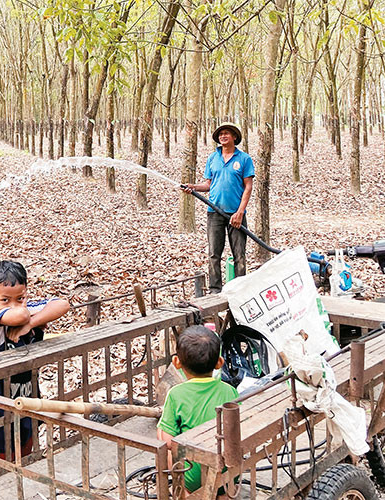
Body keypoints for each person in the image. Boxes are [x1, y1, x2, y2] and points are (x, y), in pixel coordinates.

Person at [0, 260, 70, 472]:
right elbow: (18, 314)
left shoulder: (26, 312)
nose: (14, 304)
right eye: (4, 300)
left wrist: (30, 324)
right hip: (0, 408)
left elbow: (63, 304)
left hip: (28, 400)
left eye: (20, 297)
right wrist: (26, 314)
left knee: (24, 458)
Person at [157, 326, 239, 494]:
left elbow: (168, 442)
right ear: (219, 363)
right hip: (229, 470)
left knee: (162, 433)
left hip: (194, 477)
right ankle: (224, 494)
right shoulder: (229, 390)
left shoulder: (176, 394)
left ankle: (185, 493)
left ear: (176, 363)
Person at [183, 122, 254, 293]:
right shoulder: (212, 158)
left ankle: (240, 290)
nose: (223, 136)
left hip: (236, 214)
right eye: (221, 134)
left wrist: (240, 212)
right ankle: (215, 290)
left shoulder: (244, 159)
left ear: (234, 137)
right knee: (214, 254)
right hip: (214, 212)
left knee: (239, 255)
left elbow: (248, 187)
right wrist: (193, 187)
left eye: (227, 133)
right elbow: (208, 184)